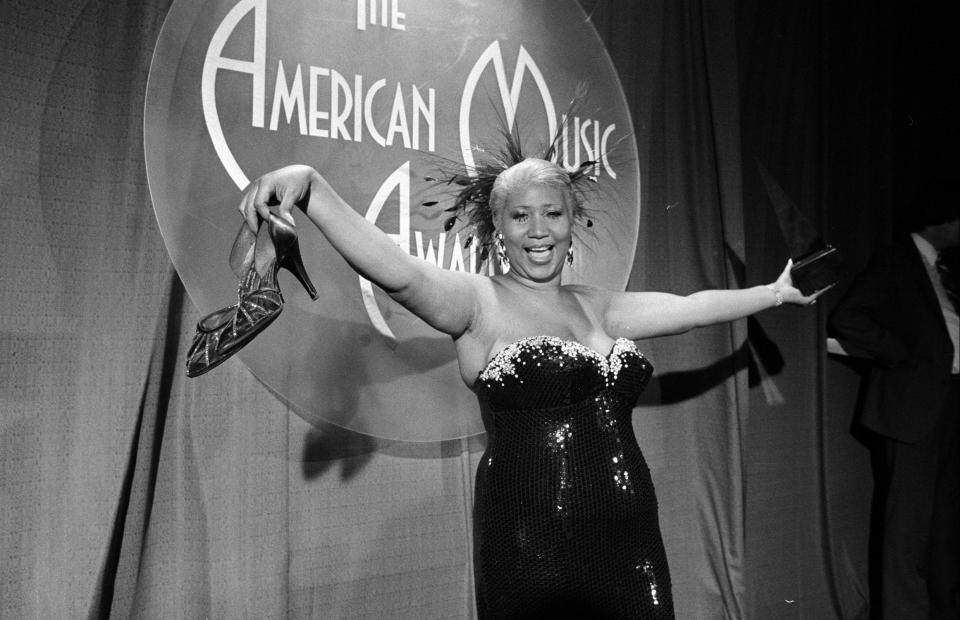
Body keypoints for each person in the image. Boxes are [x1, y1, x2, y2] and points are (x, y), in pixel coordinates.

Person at [236, 158, 820, 619]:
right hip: (531, 544)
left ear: (572, 223)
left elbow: (691, 308)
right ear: (499, 229)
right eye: (520, 217)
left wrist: (775, 292)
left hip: (631, 540)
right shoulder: (476, 301)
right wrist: (311, 188)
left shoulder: (600, 304)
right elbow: (399, 271)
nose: (538, 231)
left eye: (553, 214)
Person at [829, 190, 960, 620]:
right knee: (907, 530)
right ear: (940, 219)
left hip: (949, 405)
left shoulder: (948, 270)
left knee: (943, 527)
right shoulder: (896, 262)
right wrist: (903, 356)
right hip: (912, 411)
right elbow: (848, 317)